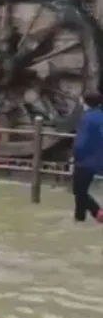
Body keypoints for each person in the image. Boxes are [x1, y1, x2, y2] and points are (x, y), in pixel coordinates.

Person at [73, 92, 103, 222]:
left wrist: (74, 156)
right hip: (98, 159)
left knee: (78, 190)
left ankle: (97, 211)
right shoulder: (101, 116)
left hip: (85, 160)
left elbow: (81, 142)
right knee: (81, 190)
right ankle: (79, 217)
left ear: (84, 102)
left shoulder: (87, 118)